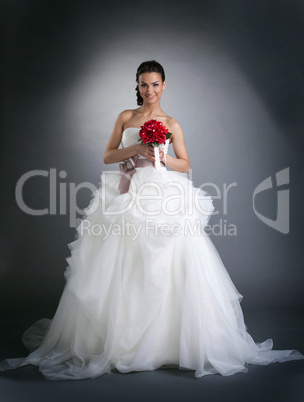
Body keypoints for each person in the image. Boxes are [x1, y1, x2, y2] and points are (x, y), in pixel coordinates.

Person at [0, 60, 303, 381]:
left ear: (164, 85)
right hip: (127, 192)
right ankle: (122, 339)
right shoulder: (126, 117)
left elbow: (184, 164)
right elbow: (108, 155)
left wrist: (158, 155)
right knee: (123, 262)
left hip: (162, 192)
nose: (150, 91)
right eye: (144, 84)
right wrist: (136, 148)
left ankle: (168, 341)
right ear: (138, 86)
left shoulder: (172, 122)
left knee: (172, 261)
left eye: (155, 84)